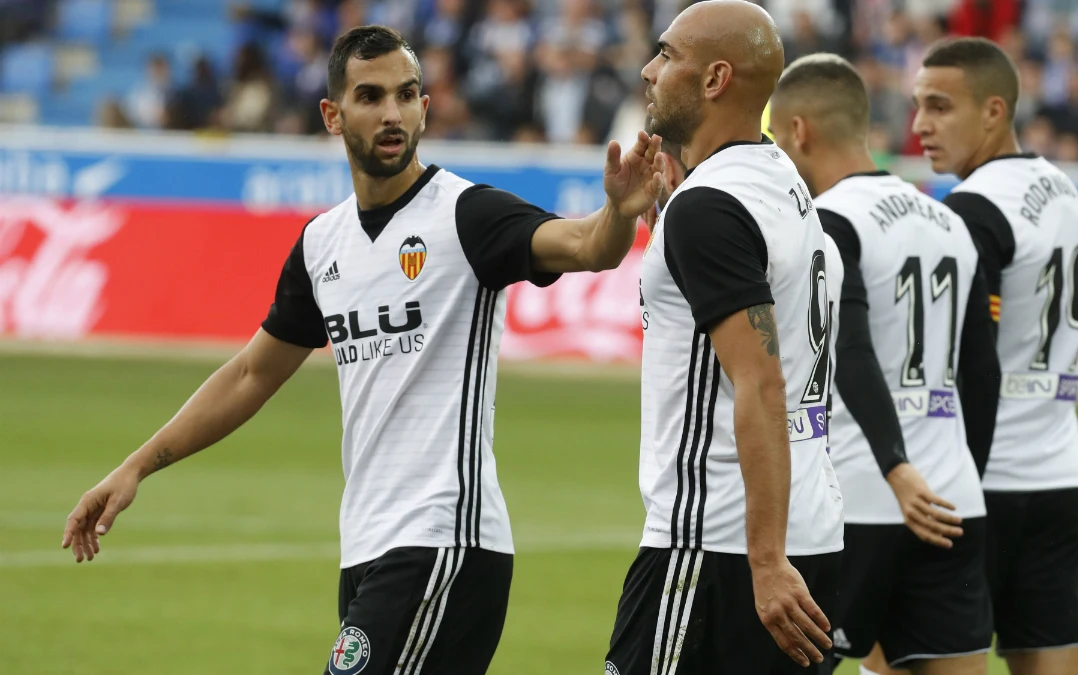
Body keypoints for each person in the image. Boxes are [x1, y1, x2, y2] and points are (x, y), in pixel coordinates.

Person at [61, 25, 665, 675]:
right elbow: (249, 374)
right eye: (371, 96)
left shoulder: (465, 216)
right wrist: (134, 468)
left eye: (406, 95)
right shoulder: (322, 245)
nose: (391, 113)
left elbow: (583, 246)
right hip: (368, 547)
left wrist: (618, 215)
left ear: (425, 108)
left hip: (444, 539)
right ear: (332, 114)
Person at [605, 3, 843, 673]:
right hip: (812, 535)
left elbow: (761, 383)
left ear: (713, 79)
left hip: (718, 545)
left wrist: (764, 559)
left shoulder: (709, 208)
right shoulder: (782, 184)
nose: (650, 70)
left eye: (667, 55)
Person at [771, 53, 1001, 675]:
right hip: (951, 501)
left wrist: (897, 468)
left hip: (861, 501)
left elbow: (848, 350)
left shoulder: (827, 222)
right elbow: (983, 372)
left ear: (800, 130)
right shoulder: (950, 221)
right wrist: (962, 476)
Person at [913, 36, 1078, 675]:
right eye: (918, 106)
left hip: (977, 484)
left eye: (940, 107)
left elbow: (969, 356)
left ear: (994, 111)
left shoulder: (972, 209)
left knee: (902, 659)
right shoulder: (1064, 190)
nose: (920, 126)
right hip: (1056, 476)